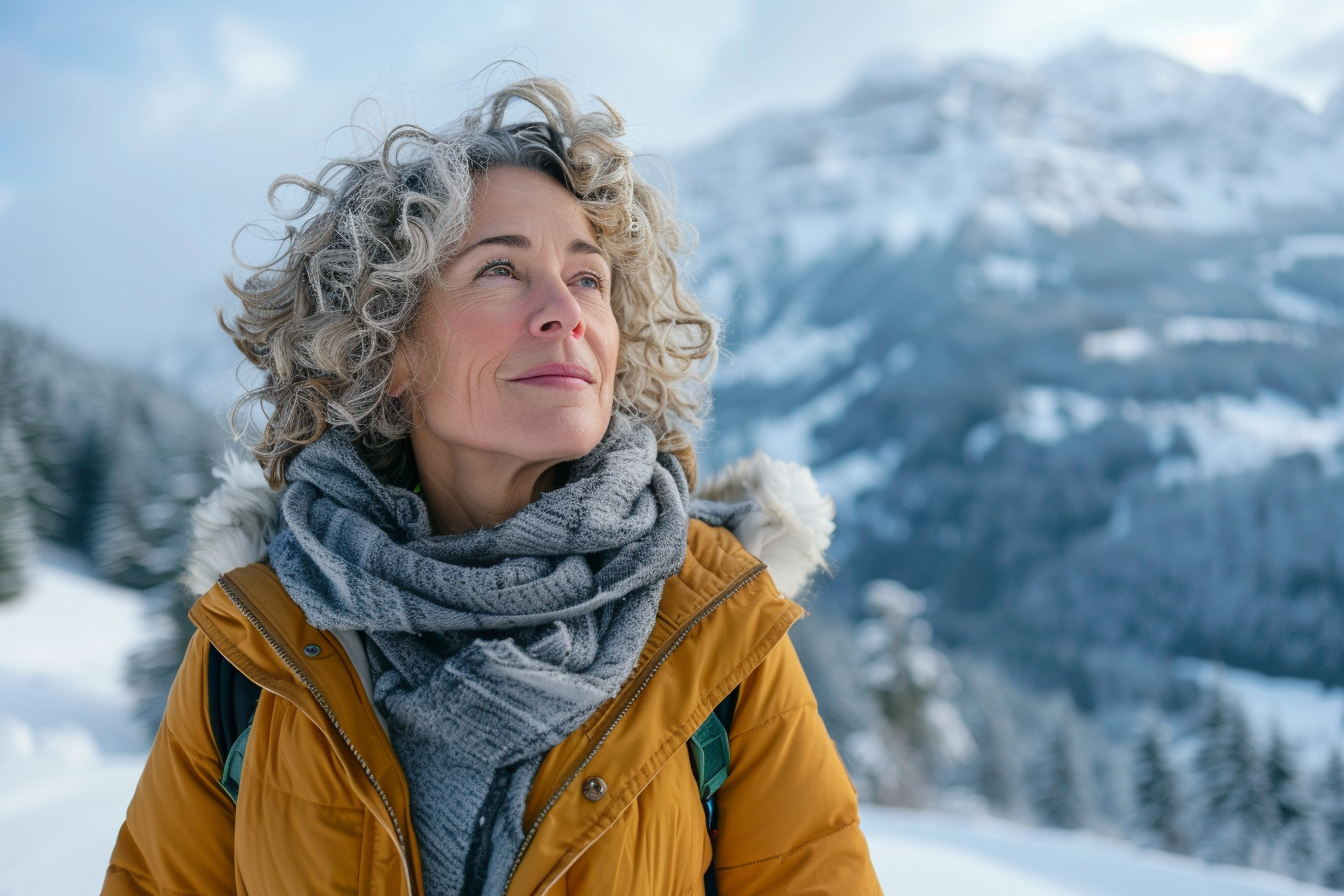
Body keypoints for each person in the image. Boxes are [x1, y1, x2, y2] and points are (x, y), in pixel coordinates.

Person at [102, 78, 882, 896]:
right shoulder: (260, 640)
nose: (564, 311)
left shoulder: (715, 626)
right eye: (502, 269)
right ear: (387, 348)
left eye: (588, 278)